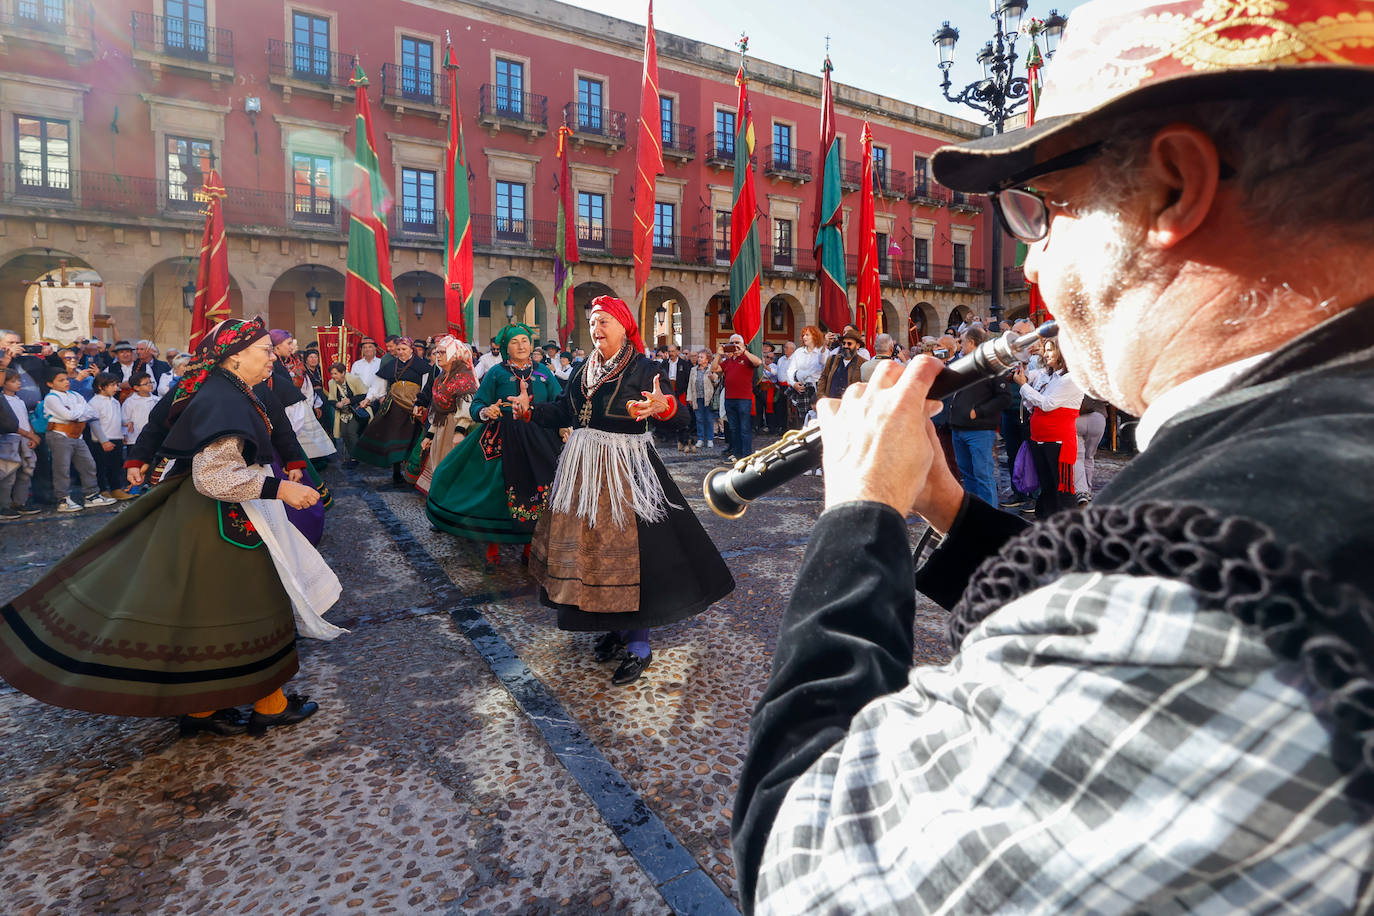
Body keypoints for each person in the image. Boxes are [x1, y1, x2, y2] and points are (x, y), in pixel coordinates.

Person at [733, 2, 1374, 910]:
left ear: (1172, 189)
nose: (1033, 267)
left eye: (1045, 211)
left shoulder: (1221, 590)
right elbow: (1103, 609)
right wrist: (951, 512)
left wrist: (858, 518)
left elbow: (807, 870)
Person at [0, 317, 340, 737]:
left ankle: (203, 708)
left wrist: (284, 466)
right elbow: (213, 476)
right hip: (221, 519)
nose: (273, 357)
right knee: (252, 604)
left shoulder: (231, 389)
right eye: (265, 351)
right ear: (234, 357)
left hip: (211, 517)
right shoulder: (222, 397)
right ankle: (267, 704)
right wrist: (280, 489)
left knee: (206, 610)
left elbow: (270, 433)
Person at [511, 297, 734, 685]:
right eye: (592, 322)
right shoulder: (584, 367)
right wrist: (531, 412)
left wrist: (663, 408)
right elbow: (566, 411)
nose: (596, 328)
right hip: (583, 472)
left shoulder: (644, 368)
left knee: (636, 556)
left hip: (626, 472)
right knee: (596, 555)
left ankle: (640, 645)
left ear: (624, 326)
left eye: (603, 322)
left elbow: (678, 415)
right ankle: (615, 628)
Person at [425, 324, 562, 569]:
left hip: (539, 439)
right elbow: (477, 403)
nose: (521, 346)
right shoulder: (497, 373)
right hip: (501, 438)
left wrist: (562, 425)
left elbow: (559, 403)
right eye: (515, 342)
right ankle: (492, 546)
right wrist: (487, 410)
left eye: (525, 340)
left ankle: (530, 547)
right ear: (506, 347)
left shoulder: (545, 373)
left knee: (540, 491)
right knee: (495, 493)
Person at [1011, 335, 1083, 519]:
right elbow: (1032, 403)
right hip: (1039, 438)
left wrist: (1024, 386)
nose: (1046, 353)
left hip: (1059, 441)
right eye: (1046, 349)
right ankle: (1048, 523)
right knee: (1047, 485)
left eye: (1051, 349)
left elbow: (1047, 404)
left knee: (1062, 488)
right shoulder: (1047, 375)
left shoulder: (1072, 379)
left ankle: (1070, 528)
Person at [946, 325, 1014, 509]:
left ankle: (990, 514)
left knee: (982, 475)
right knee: (967, 475)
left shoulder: (992, 366)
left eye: (962, 341)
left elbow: (1004, 398)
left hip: (979, 431)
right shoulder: (963, 363)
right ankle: (974, 513)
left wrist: (979, 411)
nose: (960, 345)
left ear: (972, 342)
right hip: (958, 429)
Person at [406, 336, 477, 496]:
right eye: (437, 352)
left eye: (442, 352)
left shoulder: (464, 377)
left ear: (454, 354)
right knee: (438, 463)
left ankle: (451, 503)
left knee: (452, 466)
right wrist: (429, 435)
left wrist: (459, 432)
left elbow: (466, 408)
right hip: (441, 428)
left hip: (457, 429)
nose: (437, 355)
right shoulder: (440, 378)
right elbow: (437, 410)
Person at [353, 336, 428, 484]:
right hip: (394, 407)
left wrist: (421, 403)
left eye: (404, 349)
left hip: (414, 407)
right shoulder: (391, 365)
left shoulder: (422, 365)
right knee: (394, 438)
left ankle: (412, 473)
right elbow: (378, 386)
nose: (400, 352)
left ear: (411, 349)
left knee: (414, 437)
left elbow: (426, 386)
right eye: (398, 349)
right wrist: (368, 399)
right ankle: (396, 472)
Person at [43, 368, 115, 512]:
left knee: (88, 464)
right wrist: (81, 412)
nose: (66, 382)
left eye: (66, 379)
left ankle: (91, 494)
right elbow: (68, 415)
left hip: (77, 434)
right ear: (50, 384)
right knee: (62, 468)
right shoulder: (51, 398)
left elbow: (92, 412)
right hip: (60, 434)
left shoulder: (75, 395)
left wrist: (77, 413)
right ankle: (63, 498)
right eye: (61, 380)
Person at [268, 331, 336, 468]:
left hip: (300, 405)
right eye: (288, 344)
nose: (292, 347)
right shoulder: (273, 365)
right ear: (277, 346)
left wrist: (310, 403)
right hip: (285, 411)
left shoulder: (292, 361)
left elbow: (306, 384)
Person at [711, 332, 762, 462]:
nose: (734, 345)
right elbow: (714, 368)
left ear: (743, 344)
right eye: (732, 343)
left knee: (744, 428)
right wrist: (719, 354)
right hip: (730, 399)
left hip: (744, 399)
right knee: (734, 428)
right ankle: (738, 454)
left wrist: (744, 351)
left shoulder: (746, 358)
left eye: (737, 343)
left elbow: (758, 362)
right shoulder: (727, 361)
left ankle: (747, 455)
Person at [0, 367, 40, 520]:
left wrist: (31, 435)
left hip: (25, 438)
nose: (18, 383)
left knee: (27, 470)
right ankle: (4, 505)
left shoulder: (19, 400)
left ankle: (20, 502)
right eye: (13, 381)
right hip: (9, 438)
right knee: (8, 473)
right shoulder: (3, 400)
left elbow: (25, 418)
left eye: (18, 380)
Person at [88, 372, 130, 500]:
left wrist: (125, 428)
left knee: (115, 466)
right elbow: (94, 423)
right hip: (102, 440)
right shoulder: (94, 402)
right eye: (112, 385)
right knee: (102, 466)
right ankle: (103, 489)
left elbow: (119, 417)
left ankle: (116, 488)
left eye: (116, 385)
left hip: (116, 437)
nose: (116, 388)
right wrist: (103, 441)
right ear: (101, 387)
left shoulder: (115, 401)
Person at [327, 361, 369, 467]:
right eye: (332, 374)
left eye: (335, 373)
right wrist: (337, 404)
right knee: (344, 434)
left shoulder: (354, 379)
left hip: (356, 411)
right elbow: (331, 399)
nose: (333, 376)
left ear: (343, 373)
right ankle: (352, 456)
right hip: (342, 413)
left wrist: (350, 400)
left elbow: (364, 394)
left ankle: (356, 457)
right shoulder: (331, 383)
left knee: (351, 433)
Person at [785, 326, 825, 431]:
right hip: (801, 388)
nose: (804, 337)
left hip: (818, 388)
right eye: (803, 335)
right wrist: (794, 384)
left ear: (815, 336)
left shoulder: (822, 351)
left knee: (817, 417)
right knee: (802, 419)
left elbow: (825, 367)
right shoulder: (798, 352)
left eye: (807, 335)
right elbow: (790, 370)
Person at [687, 349, 718, 453]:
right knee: (699, 419)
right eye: (698, 357)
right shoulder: (693, 370)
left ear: (707, 359)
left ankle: (710, 439)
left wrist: (713, 378)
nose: (699, 359)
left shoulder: (711, 369)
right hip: (697, 397)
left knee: (709, 419)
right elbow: (690, 385)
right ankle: (700, 439)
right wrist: (689, 398)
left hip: (708, 398)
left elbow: (717, 383)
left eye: (701, 357)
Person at [121, 371, 157, 445]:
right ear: (136, 387)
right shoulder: (130, 401)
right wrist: (125, 431)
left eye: (151, 382)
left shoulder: (156, 400)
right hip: (134, 438)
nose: (150, 385)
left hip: (153, 437)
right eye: (146, 384)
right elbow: (124, 418)